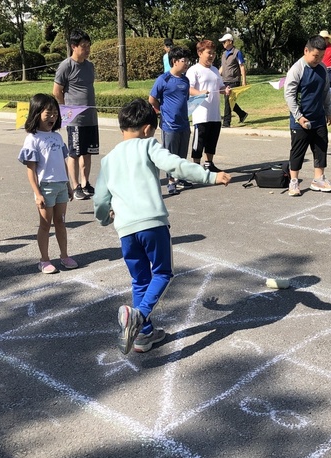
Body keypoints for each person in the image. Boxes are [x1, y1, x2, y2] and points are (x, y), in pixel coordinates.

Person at [93, 99, 231, 354]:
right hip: (152, 224)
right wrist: (210, 176)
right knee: (163, 274)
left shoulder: (109, 159)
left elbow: (100, 198)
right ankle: (140, 317)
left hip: (125, 230)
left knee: (139, 280)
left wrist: (103, 218)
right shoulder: (148, 145)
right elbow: (176, 165)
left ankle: (144, 336)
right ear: (147, 129)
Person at [18, 93, 79, 274]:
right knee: (45, 224)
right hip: (45, 187)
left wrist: (68, 185)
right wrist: (37, 193)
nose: (52, 117)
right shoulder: (32, 138)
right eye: (48, 113)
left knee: (61, 222)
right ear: (37, 114)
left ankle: (64, 255)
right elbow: (31, 169)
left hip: (61, 185)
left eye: (55, 113)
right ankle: (44, 260)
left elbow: (63, 162)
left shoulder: (58, 138)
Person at [284, 35, 331, 197]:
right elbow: (289, 95)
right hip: (301, 119)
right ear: (306, 51)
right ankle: (294, 182)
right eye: (315, 56)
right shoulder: (297, 69)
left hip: (318, 117)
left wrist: (328, 111)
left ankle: (318, 179)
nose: (318, 59)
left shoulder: (322, 69)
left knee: (321, 147)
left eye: (321, 56)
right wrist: (299, 117)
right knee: (298, 151)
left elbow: (325, 92)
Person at [53, 29, 98, 201]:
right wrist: (66, 111)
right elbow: (57, 91)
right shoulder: (66, 66)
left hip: (90, 117)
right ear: (74, 46)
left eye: (89, 46)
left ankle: (85, 183)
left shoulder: (90, 66)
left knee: (88, 152)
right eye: (84, 46)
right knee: (75, 152)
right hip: (75, 119)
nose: (87, 49)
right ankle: (75, 185)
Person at [149, 45, 194, 196]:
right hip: (169, 124)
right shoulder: (163, 79)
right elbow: (152, 99)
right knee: (170, 154)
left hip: (184, 123)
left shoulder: (185, 80)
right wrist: (160, 113)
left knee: (182, 154)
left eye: (188, 60)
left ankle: (180, 178)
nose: (187, 63)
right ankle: (171, 182)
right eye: (184, 60)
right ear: (174, 61)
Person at [186, 39, 230, 173]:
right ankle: (196, 166)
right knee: (199, 140)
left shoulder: (215, 70)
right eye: (208, 53)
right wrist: (200, 93)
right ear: (200, 53)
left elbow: (220, 86)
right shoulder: (194, 70)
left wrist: (225, 90)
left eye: (213, 53)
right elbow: (189, 89)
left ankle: (209, 163)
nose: (211, 56)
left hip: (214, 112)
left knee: (212, 139)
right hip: (201, 112)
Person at [218, 32, 248, 128]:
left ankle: (226, 123)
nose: (223, 43)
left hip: (234, 80)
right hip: (225, 80)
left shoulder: (237, 52)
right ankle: (242, 114)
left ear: (230, 41)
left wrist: (244, 80)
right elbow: (222, 67)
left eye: (224, 42)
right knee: (230, 101)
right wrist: (217, 76)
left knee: (228, 101)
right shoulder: (223, 54)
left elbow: (242, 66)